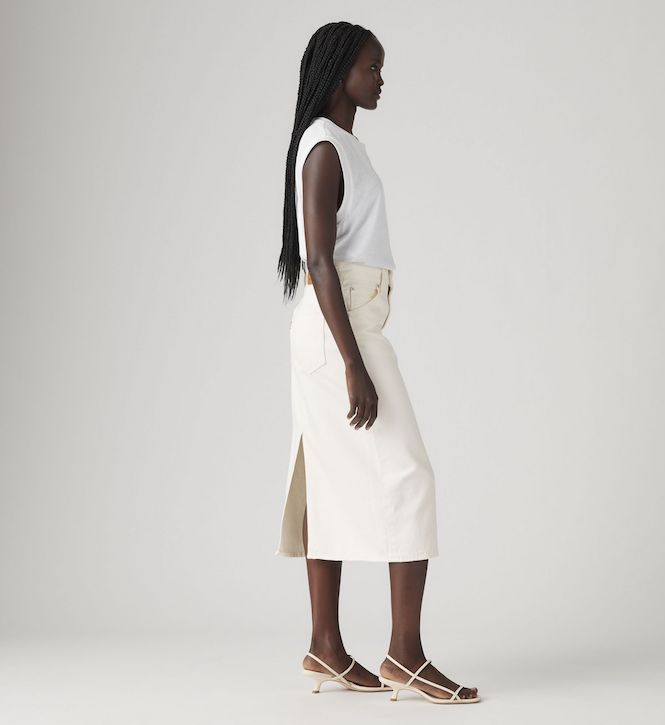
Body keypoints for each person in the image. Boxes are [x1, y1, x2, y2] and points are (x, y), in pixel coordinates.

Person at [274, 22, 479, 705]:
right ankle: (406, 654)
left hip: (345, 326)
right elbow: (319, 261)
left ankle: (323, 644)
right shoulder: (324, 147)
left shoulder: (345, 144)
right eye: (372, 67)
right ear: (341, 71)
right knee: (410, 474)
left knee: (332, 478)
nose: (381, 78)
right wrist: (354, 365)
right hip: (339, 332)